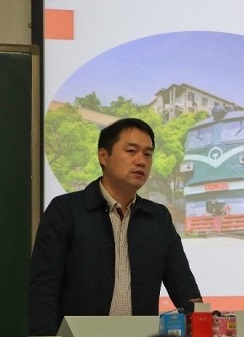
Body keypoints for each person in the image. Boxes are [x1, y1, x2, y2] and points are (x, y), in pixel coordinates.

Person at [28, 118, 202, 336]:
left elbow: (183, 286)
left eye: (148, 154)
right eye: (131, 151)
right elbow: (43, 289)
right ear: (103, 156)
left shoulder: (158, 218)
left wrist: (203, 323)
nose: (141, 161)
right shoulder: (66, 210)